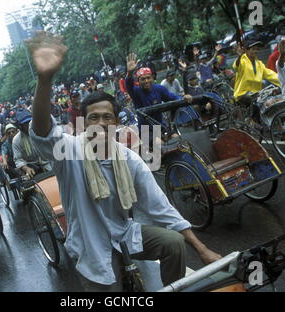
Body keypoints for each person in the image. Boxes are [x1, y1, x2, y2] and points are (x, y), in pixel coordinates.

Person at [28, 31, 221, 291]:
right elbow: (42, 131)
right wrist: (44, 79)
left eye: (107, 117)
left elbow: (159, 206)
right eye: (93, 118)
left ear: (117, 123)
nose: (101, 123)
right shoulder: (70, 152)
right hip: (89, 244)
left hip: (125, 233)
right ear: (83, 124)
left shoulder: (129, 158)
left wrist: (203, 249)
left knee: (173, 244)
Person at [125, 54, 198, 140]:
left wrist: (184, 98)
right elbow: (129, 86)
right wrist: (129, 73)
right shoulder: (136, 92)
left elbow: (172, 97)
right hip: (146, 129)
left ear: (152, 78)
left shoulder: (159, 88)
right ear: (138, 81)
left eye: (148, 78)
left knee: (177, 139)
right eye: (143, 79)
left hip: (160, 124)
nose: (146, 81)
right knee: (159, 144)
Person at [233, 40, 280, 122]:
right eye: (253, 49)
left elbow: (270, 74)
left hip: (256, 93)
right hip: (242, 93)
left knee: (271, 99)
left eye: (256, 49)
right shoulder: (242, 60)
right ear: (247, 50)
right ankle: (253, 122)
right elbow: (236, 66)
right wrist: (240, 56)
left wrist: (283, 80)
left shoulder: (259, 63)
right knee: (257, 102)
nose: (255, 51)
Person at [12, 110, 51, 178]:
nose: (29, 124)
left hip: (48, 163)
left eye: (30, 121)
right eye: (25, 123)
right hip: (32, 168)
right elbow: (18, 160)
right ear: (20, 126)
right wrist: (26, 169)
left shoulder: (42, 130)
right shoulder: (16, 140)